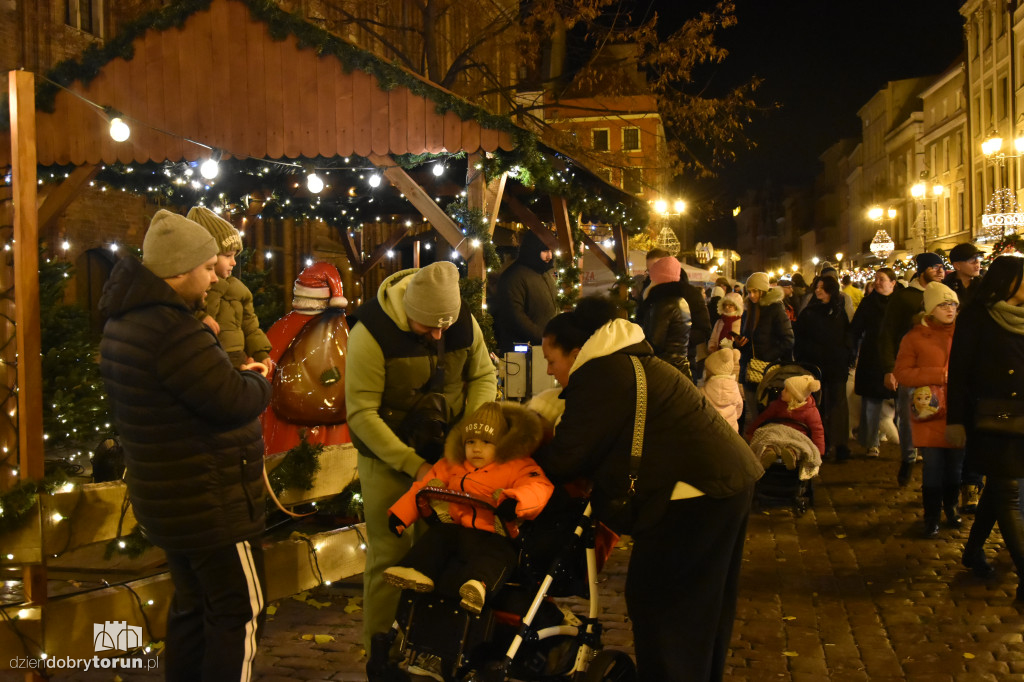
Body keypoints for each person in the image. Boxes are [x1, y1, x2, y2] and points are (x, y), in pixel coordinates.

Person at [535, 297, 763, 681]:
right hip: (722, 484)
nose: (549, 370)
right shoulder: (628, 361)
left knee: (663, 605)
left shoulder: (602, 374)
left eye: (551, 360)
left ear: (576, 353)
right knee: (701, 608)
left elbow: (566, 457)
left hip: (696, 496)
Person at [98, 210, 273, 681]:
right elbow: (230, 399)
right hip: (210, 501)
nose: (213, 274)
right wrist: (258, 382)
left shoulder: (125, 324)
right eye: (205, 267)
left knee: (194, 608)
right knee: (237, 610)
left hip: (171, 499)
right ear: (178, 270)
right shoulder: (172, 331)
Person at [345, 261, 498, 657]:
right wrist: (413, 465)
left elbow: (483, 376)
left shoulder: (461, 322)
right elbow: (361, 413)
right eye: (428, 326)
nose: (438, 334)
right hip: (388, 458)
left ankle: (430, 650)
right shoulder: (370, 333)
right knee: (390, 559)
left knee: (445, 552)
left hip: (449, 457)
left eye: (444, 326)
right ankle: (381, 652)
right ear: (408, 310)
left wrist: (467, 438)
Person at [383, 401, 553, 613]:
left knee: (497, 554)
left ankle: (478, 585)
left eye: (486, 442)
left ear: (502, 444)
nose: (476, 448)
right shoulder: (453, 464)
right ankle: (416, 569)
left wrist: (515, 501)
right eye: (470, 442)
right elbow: (424, 485)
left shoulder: (516, 465)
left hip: (497, 532)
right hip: (460, 529)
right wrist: (402, 514)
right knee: (438, 536)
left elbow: (538, 486)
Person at [949, 256, 1024, 592]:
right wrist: (955, 420)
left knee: (998, 488)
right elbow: (960, 373)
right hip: (991, 417)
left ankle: (972, 550)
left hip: (1022, 415)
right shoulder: (977, 317)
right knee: (1006, 490)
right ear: (1008, 282)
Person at [893, 282, 962, 538]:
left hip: (958, 409)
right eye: (944, 304)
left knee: (956, 465)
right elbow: (902, 373)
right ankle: (931, 516)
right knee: (933, 465)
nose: (950, 309)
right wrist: (938, 375)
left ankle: (952, 508)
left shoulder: (964, 333)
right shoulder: (914, 337)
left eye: (953, 304)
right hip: (929, 411)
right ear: (931, 309)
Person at [880, 252, 947, 486]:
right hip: (910, 367)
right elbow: (888, 332)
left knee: (936, 415)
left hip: (938, 368)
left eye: (942, 267)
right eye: (934, 267)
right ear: (922, 270)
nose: (940, 271)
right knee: (908, 417)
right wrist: (890, 368)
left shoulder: (945, 295)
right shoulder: (904, 297)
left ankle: (931, 462)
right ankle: (908, 458)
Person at [187, 205, 273, 370]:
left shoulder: (238, 289)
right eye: (227, 256)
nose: (233, 262)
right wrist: (215, 288)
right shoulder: (195, 290)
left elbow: (249, 324)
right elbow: (199, 316)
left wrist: (260, 352)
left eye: (235, 256)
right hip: (212, 360)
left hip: (238, 358)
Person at [943, 242, 984, 511]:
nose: (977, 263)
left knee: (977, 429)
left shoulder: (984, 288)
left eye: (978, 259)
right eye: (971, 260)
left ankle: (972, 487)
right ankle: (949, 486)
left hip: (979, 363)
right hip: (949, 361)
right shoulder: (945, 290)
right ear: (957, 265)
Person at [795, 275, 853, 460]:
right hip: (815, 366)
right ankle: (822, 443)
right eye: (817, 286)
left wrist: (846, 356)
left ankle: (841, 444)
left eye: (822, 287)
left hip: (836, 366)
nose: (818, 290)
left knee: (838, 405)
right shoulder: (809, 312)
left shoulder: (839, 312)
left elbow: (846, 337)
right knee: (818, 406)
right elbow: (800, 339)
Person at [849, 268, 900, 457]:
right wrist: (852, 351)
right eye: (876, 279)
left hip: (898, 356)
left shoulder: (899, 302)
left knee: (902, 403)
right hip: (872, 357)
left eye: (882, 279)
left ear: (893, 283)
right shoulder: (868, 303)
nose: (878, 282)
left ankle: (909, 443)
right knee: (872, 402)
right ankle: (872, 442)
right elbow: (856, 329)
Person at [737, 272, 795, 430]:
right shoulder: (749, 309)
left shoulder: (775, 308)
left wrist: (767, 357)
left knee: (768, 414)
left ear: (763, 291)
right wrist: (741, 343)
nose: (752, 295)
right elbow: (749, 338)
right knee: (754, 413)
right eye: (749, 291)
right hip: (749, 369)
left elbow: (788, 339)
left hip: (768, 372)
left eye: (755, 291)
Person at [492, 230, 560, 352]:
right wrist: (544, 338)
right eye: (544, 251)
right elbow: (515, 317)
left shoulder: (545, 274)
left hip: (544, 347)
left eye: (550, 251)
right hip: (521, 352)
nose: (549, 256)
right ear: (533, 249)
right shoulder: (514, 277)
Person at [744, 375, 826, 474]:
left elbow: (817, 431)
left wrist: (819, 450)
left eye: (786, 390)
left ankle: (792, 453)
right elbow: (763, 418)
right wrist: (751, 431)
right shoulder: (777, 405)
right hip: (777, 431)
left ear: (795, 395)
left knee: (800, 445)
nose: (782, 391)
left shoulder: (810, 411)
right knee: (769, 436)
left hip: (797, 436)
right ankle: (768, 452)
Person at [635, 255, 692, 379]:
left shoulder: (663, 303)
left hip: (666, 370)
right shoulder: (681, 300)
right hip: (679, 368)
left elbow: (654, 342)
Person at [702, 348, 743, 432]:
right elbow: (739, 408)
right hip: (731, 430)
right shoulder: (734, 388)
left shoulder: (705, 389)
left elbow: (701, 408)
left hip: (711, 429)